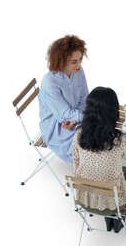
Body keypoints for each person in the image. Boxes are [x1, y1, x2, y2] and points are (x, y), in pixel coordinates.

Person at [72, 87, 126, 233]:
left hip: (85, 200)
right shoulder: (120, 139)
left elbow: (76, 162)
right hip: (114, 203)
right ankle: (117, 216)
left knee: (110, 174)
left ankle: (112, 216)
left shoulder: (78, 134)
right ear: (113, 111)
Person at [38, 35, 89, 164]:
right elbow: (63, 116)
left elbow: (84, 98)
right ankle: (92, 169)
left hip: (75, 118)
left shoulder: (79, 72)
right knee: (89, 142)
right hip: (57, 127)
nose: (79, 65)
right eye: (74, 62)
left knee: (101, 130)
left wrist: (77, 117)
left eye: (80, 59)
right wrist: (86, 116)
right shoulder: (50, 82)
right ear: (61, 61)